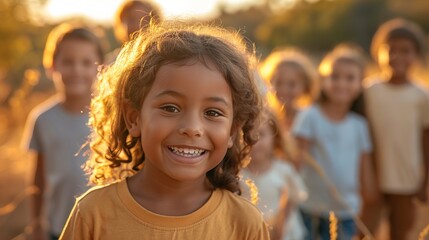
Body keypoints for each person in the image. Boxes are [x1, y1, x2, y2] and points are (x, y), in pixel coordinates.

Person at [59, 22, 269, 239]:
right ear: (134, 118)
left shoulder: (245, 224)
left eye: (213, 113)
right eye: (170, 108)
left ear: (233, 131)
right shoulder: (94, 213)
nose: (192, 128)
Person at [21, 22, 104, 240]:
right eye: (68, 62)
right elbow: (38, 181)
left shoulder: (110, 117)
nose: (77, 70)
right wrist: (37, 224)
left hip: (105, 226)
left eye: (86, 62)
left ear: (100, 67)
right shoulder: (43, 119)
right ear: (52, 66)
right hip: (58, 227)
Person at [292, 44, 377, 240]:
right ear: (323, 80)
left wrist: (368, 208)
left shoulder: (359, 125)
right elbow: (296, 161)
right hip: (309, 208)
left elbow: (365, 170)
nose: (341, 83)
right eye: (335, 77)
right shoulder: (310, 116)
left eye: (350, 78)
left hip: (346, 211)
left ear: (360, 83)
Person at [363, 18, 429, 240]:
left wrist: (425, 181)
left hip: (407, 181)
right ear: (378, 52)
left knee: (400, 233)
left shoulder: (422, 96)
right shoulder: (369, 91)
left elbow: (426, 140)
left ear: (417, 55)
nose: (397, 56)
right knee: (364, 231)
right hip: (371, 179)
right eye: (390, 50)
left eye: (406, 51)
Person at [241, 108, 308, 240]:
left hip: (282, 233)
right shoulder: (237, 173)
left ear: (275, 137)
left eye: (261, 135)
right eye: (248, 136)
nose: (255, 143)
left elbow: (294, 197)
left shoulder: (283, 170)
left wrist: (280, 224)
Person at [259, 48, 318, 130]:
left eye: (292, 84)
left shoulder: (310, 117)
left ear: (305, 86)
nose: (284, 90)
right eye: (279, 83)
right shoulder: (263, 117)